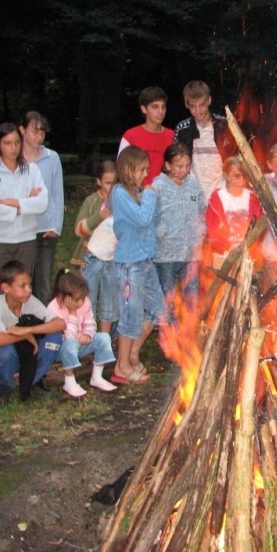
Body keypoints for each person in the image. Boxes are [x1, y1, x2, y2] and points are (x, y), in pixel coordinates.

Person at [110, 146, 165, 385]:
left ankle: (133, 353)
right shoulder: (119, 193)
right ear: (128, 169)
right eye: (142, 170)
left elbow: (153, 220)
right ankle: (121, 366)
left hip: (146, 261)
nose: (145, 174)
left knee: (157, 309)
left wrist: (154, 201)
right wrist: (150, 197)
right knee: (131, 315)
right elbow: (142, 219)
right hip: (130, 263)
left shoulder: (138, 192)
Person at [0, 260, 64, 406]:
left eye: (29, 285)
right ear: (6, 288)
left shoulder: (29, 301)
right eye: (22, 286)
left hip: (24, 353)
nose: (29, 290)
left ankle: (33, 380)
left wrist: (27, 330)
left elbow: (60, 324)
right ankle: (3, 389)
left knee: (55, 337)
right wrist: (25, 336)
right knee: (5, 353)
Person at [0, 122, 48, 296]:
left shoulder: (32, 170)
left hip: (26, 239)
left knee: (24, 292)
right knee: (1, 291)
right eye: (8, 143)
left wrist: (12, 202)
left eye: (17, 142)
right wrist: (26, 204)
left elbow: (42, 203)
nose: (13, 148)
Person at [153, 142, 207, 323]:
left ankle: (189, 331)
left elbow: (202, 210)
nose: (184, 170)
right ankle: (170, 332)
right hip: (166, 253)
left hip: (191, 252)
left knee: (192, 295)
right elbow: (150, 216)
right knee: (168, 297)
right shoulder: (158, 186)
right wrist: (160, 232)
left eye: (187, 165)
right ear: (167, 165)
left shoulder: (193, 184)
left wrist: (201, 232)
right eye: (179, 166)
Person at [46, 270, 117, 398]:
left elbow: (90, 322)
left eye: (83, 298)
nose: (80, 303)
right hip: (61, 349)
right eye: (77, 300)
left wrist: (88, 334)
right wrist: (72, 313)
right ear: (63, 297)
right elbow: (66, 337)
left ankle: (97, 376)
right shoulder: (53, 309)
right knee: (70, 344)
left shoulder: (85, 302)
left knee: (104, 337)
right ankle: (69, 381)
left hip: (80, 344)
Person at [19, 110, 64, 304]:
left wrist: (56, 226)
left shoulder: (52, 157)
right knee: (22, 281)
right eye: (34, 131)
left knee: (43, 283)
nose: (39, 136)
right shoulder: (14, 158)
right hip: (21, 229)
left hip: (46, 229)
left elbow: (57, 193)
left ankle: (44, 319)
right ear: (22, 130)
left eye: (43, 131)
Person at [72, 159, 119, 335]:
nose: (112, 187)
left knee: (110, 300)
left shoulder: (121, 199)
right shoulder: (92, 201)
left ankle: (105, 339)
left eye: (115, 182)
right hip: (92, 258)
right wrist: (99, 216)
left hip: (114, 258)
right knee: (88, 299)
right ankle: (87, 336)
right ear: (98, 181)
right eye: (107, 183)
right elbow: (78, 229)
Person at [174, 80, 233, 201]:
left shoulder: (224, 125)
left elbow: (234, 160)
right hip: (193, 196)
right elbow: (176, 163)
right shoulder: (182, 129)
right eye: (193, 106)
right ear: (186, 104)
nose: (198, 110)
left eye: (202, 105)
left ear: (209, 100)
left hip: (221, 194)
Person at [205, 156, 264, 269]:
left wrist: (249, 247)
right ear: (226, 175)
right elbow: (212, 228)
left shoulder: (252, 198)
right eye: (236, 176)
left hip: (247, 255)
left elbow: (259, 227)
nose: (241, 180)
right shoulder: (217, 198)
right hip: (223, 255)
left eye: (244, 176)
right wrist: (228, 246)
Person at [119, 86, 175, 186]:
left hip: (165, 193)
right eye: (155, 107)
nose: (160, 111)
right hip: (137, 192)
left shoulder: (172, 136)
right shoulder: (130, 136)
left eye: (163, 107)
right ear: (144, 109)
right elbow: (122, 169)